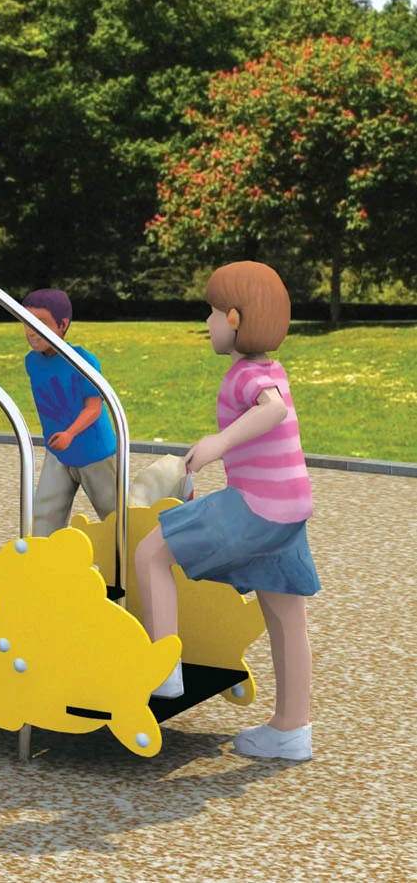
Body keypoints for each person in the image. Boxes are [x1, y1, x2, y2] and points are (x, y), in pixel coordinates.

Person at [137, 261, 319, 760]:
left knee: (151, 552)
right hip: (289, 509)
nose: (209, 324)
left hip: (258, 508)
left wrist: (217, 442)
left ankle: (165, 671)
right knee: (285, 614)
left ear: (235, 318)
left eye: (213, 314)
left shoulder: (247, 377)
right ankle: (291, 730)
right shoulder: (271, 367)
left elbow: (273, 409)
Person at [19, 289, 125, 535]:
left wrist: (69, 433)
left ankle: (131, 564)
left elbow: (94, 407)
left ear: (63, 324)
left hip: (94, 452)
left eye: (40, 323)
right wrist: (60, 438)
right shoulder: (32, 362)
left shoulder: (84, 361)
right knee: (43, 517)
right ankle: (40, 564)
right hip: (58, 452)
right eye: (25, 322)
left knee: (115, 516)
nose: (30, 330)